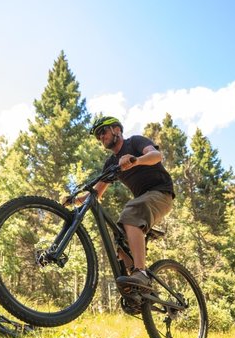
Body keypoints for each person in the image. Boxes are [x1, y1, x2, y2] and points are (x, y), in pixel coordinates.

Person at [72, 115, 175, 292]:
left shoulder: (134, 142)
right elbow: (97, 192)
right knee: (119, 235)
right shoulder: (111, 163)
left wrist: (135, 160)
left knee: (130, 212)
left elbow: (156, 155)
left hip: (161, 193)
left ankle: (141, 272)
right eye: (98, 136)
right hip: (144, 201)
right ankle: (135, 286)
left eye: (102, 132)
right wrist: (73, 200)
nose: (101, 137)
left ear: (116, 130)